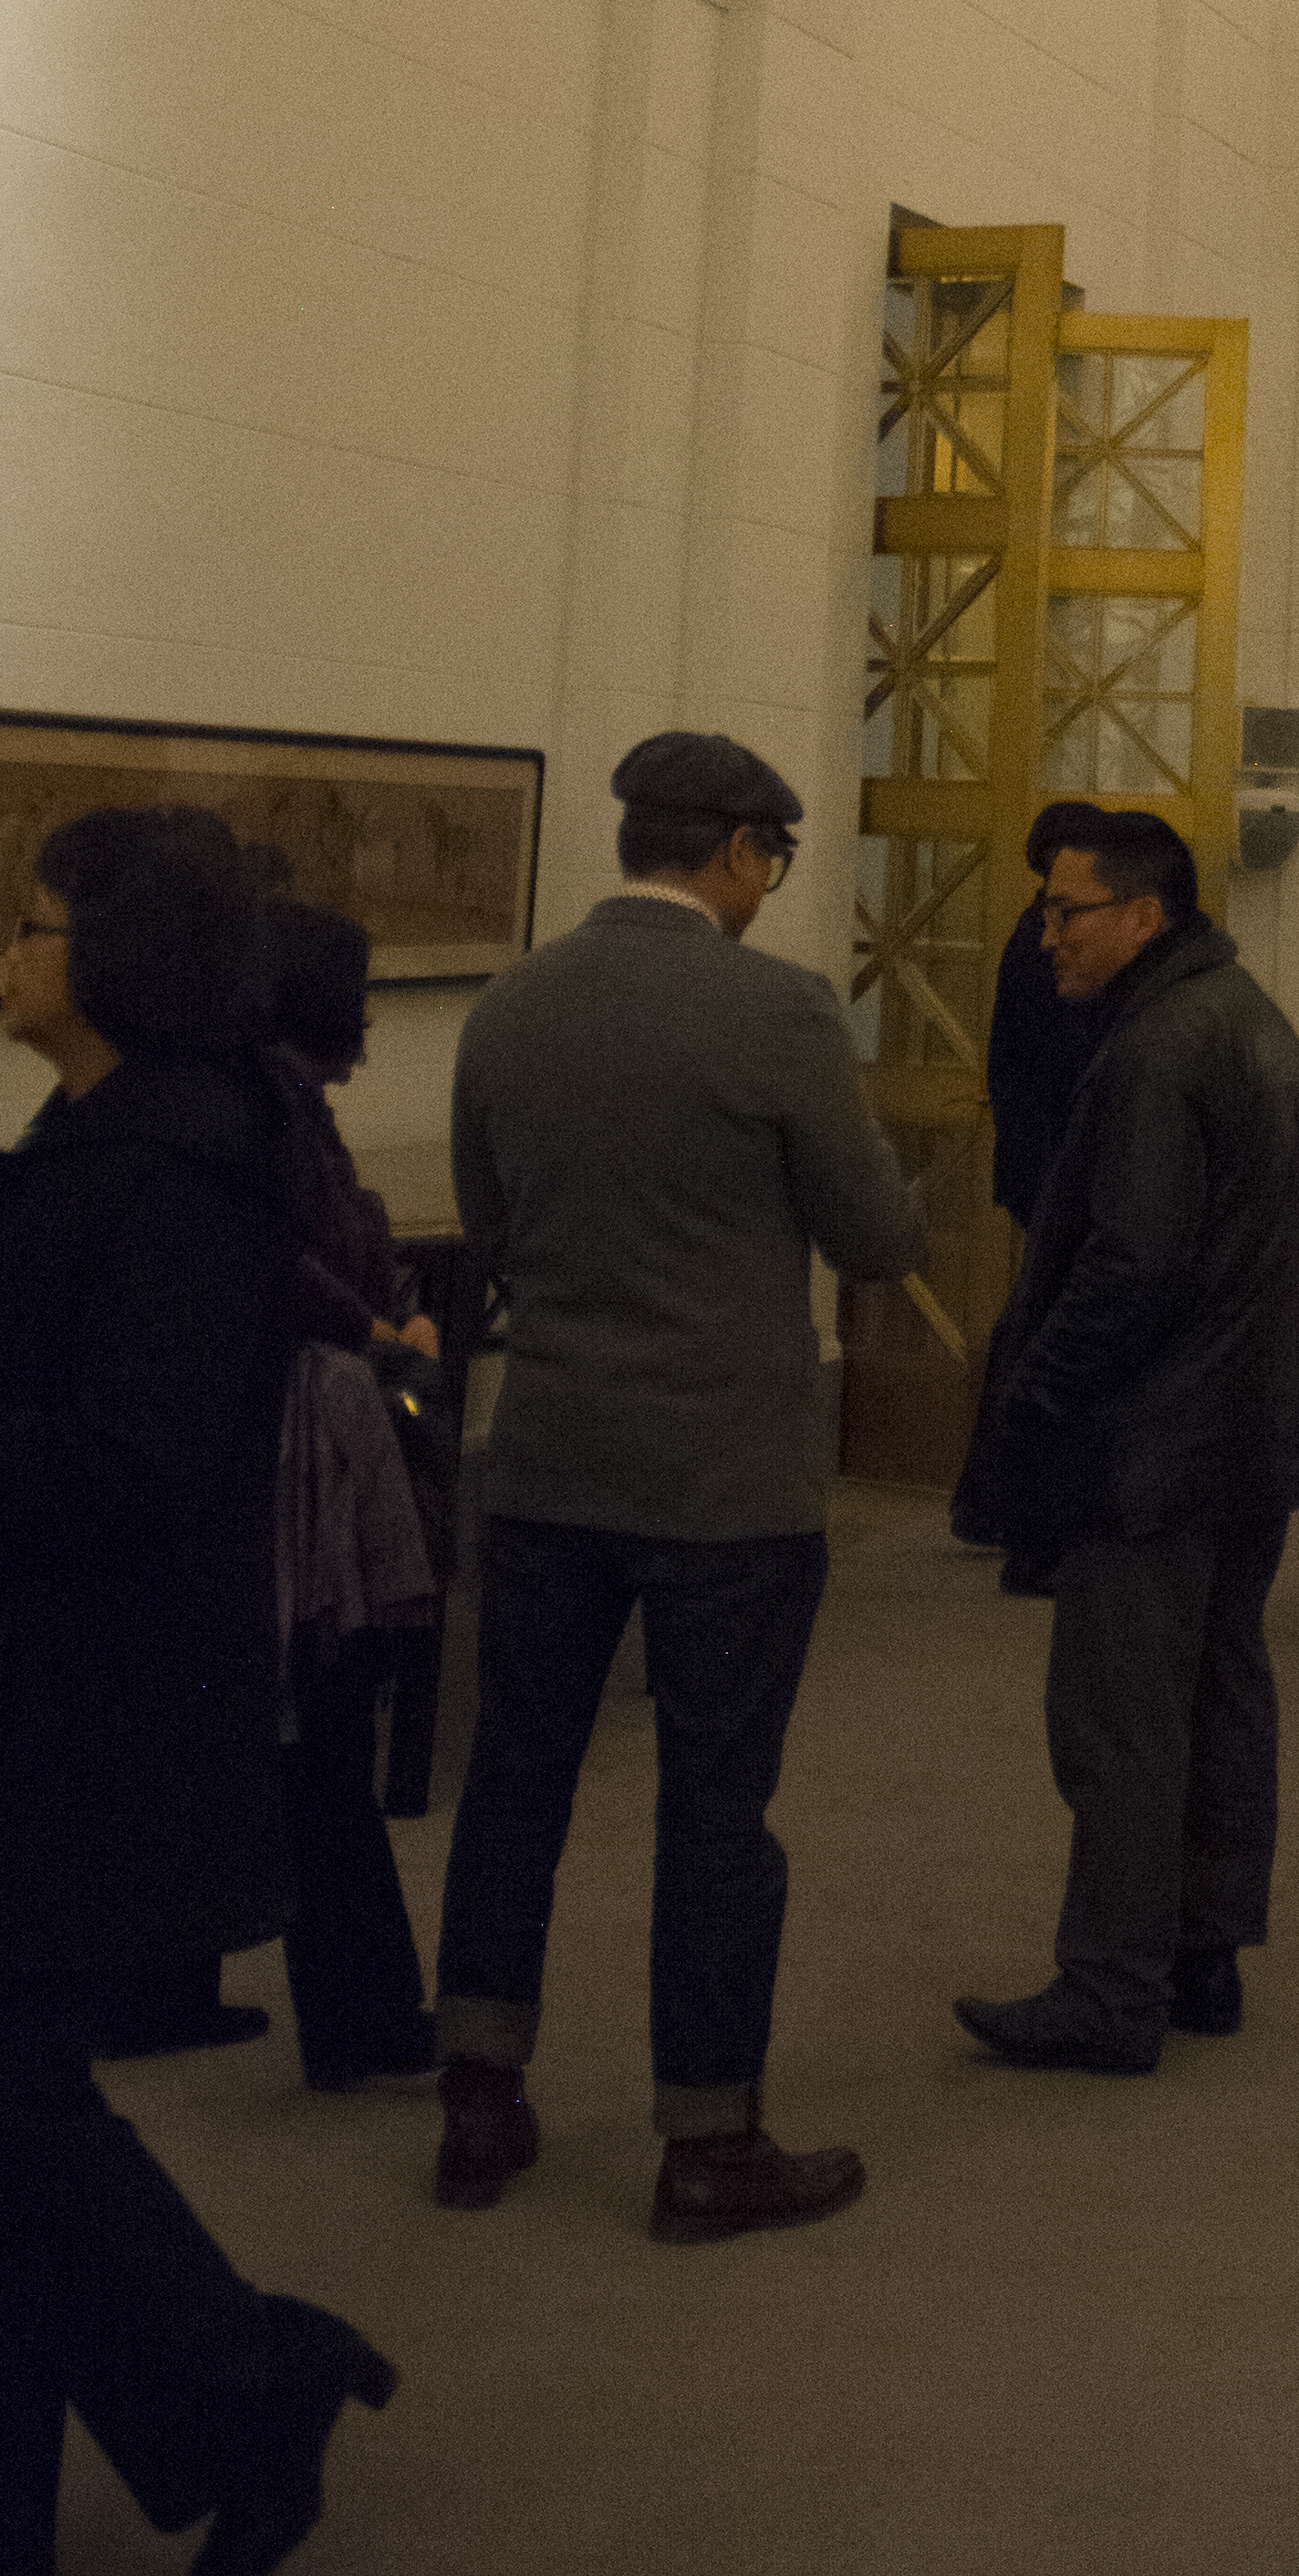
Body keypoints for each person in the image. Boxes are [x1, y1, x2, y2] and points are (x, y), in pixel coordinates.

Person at [0, 806, 400, 2576]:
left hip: (85, 1717)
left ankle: (249, 2378)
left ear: (121, 962)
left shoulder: (172, 1169)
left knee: (1, 2107)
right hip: (39, 1696)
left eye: (38, 926)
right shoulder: (113, 1135)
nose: (10, 952)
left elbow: (132, 1462)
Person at [431, 730, 919, 2239]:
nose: (771, 882)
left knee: (517, 1780)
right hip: (726, 1480)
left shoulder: (509, 1005)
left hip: (551, 1459)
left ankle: (478, 2095)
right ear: (732, 853)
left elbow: (486, 1221)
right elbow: (874, 1235)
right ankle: (708, 2141)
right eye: (769, 856)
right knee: (716, 1811)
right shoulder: (779, 1013)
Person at [956, 805, 1299, 2072]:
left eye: (1068, 911)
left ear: (1145, 917)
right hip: (1245, 1430)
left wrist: (1037, 1393)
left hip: (1156, 1441)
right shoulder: (1246, 1015)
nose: (1045, 933)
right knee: (1222, 1695)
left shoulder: (1162, 1044)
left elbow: (1135, 1261)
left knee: (1122, 1721)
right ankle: (1200, 1953)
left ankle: (1111, 1989)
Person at [263, 898, 445, 2092]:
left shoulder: (267, 1106)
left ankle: (355, 2011)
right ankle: (365, 2016)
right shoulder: (274, 1118)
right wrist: (386, 1332)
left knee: (308, 1746)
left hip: (303, 1431)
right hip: (304, 1448)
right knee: (325, 1747)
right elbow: (287, 1261)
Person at [949, 808, 1106, 1569]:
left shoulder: (1028, 935)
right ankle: (1006, 1503)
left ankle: (994, 1500)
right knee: (1045, 1327)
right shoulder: (1050, 942)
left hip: (1035, 1159)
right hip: (1057, 1162)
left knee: (1034, 1321)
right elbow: (1063, 1064)